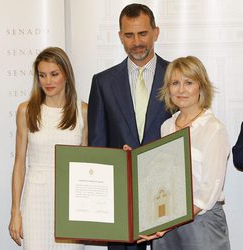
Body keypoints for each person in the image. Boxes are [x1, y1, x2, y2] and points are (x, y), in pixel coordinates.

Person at [88, 3, 170, 250]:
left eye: (142, 33)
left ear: (155, 32)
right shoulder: (102, 83)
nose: (136, 42)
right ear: (120, 36)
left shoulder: (178, 79)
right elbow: (97, 148)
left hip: (168, 205)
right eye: (129, 35)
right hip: (121, 208)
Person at [138, 56, 231, 250]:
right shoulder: (167, 127)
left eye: (189, 82)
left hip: (201, 223)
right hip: (167, 221)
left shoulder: (213, 129)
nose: (181, 90)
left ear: (201, 87)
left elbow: (208, 192)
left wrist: (169, 222)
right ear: (168, 88)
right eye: (175, 83)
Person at [8, 47, 87, 249]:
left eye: (54, 74)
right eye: (42, 75)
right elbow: (19, 164)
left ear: (66, 75)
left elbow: (87, 164)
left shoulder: (83, 111)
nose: (48, 81)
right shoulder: (26, 111)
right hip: (35, 199)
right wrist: (15, 212)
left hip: (70, 202)